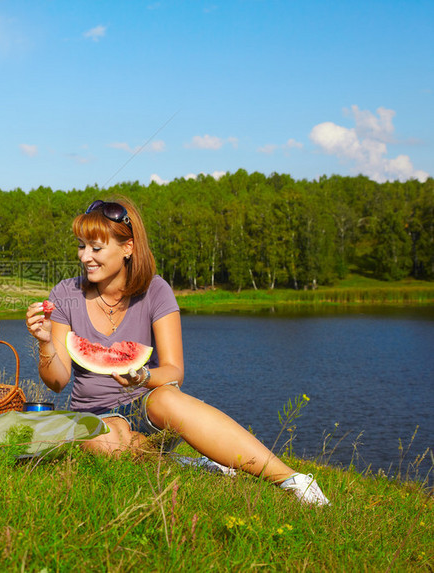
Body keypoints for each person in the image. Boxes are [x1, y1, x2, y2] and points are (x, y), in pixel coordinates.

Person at [25, 197, 330, 505]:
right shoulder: (66, 293)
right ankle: (184, 463)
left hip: (150, 410)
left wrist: (142, 376)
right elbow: (57, 381)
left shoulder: (156, 290)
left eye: (96, 247)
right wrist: (45, 342)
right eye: (81, 246)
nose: (86, 257)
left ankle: (293, 480)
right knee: (102, 441)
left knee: (168, 396)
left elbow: (174, 370)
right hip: (95, 417)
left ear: (127, 247)